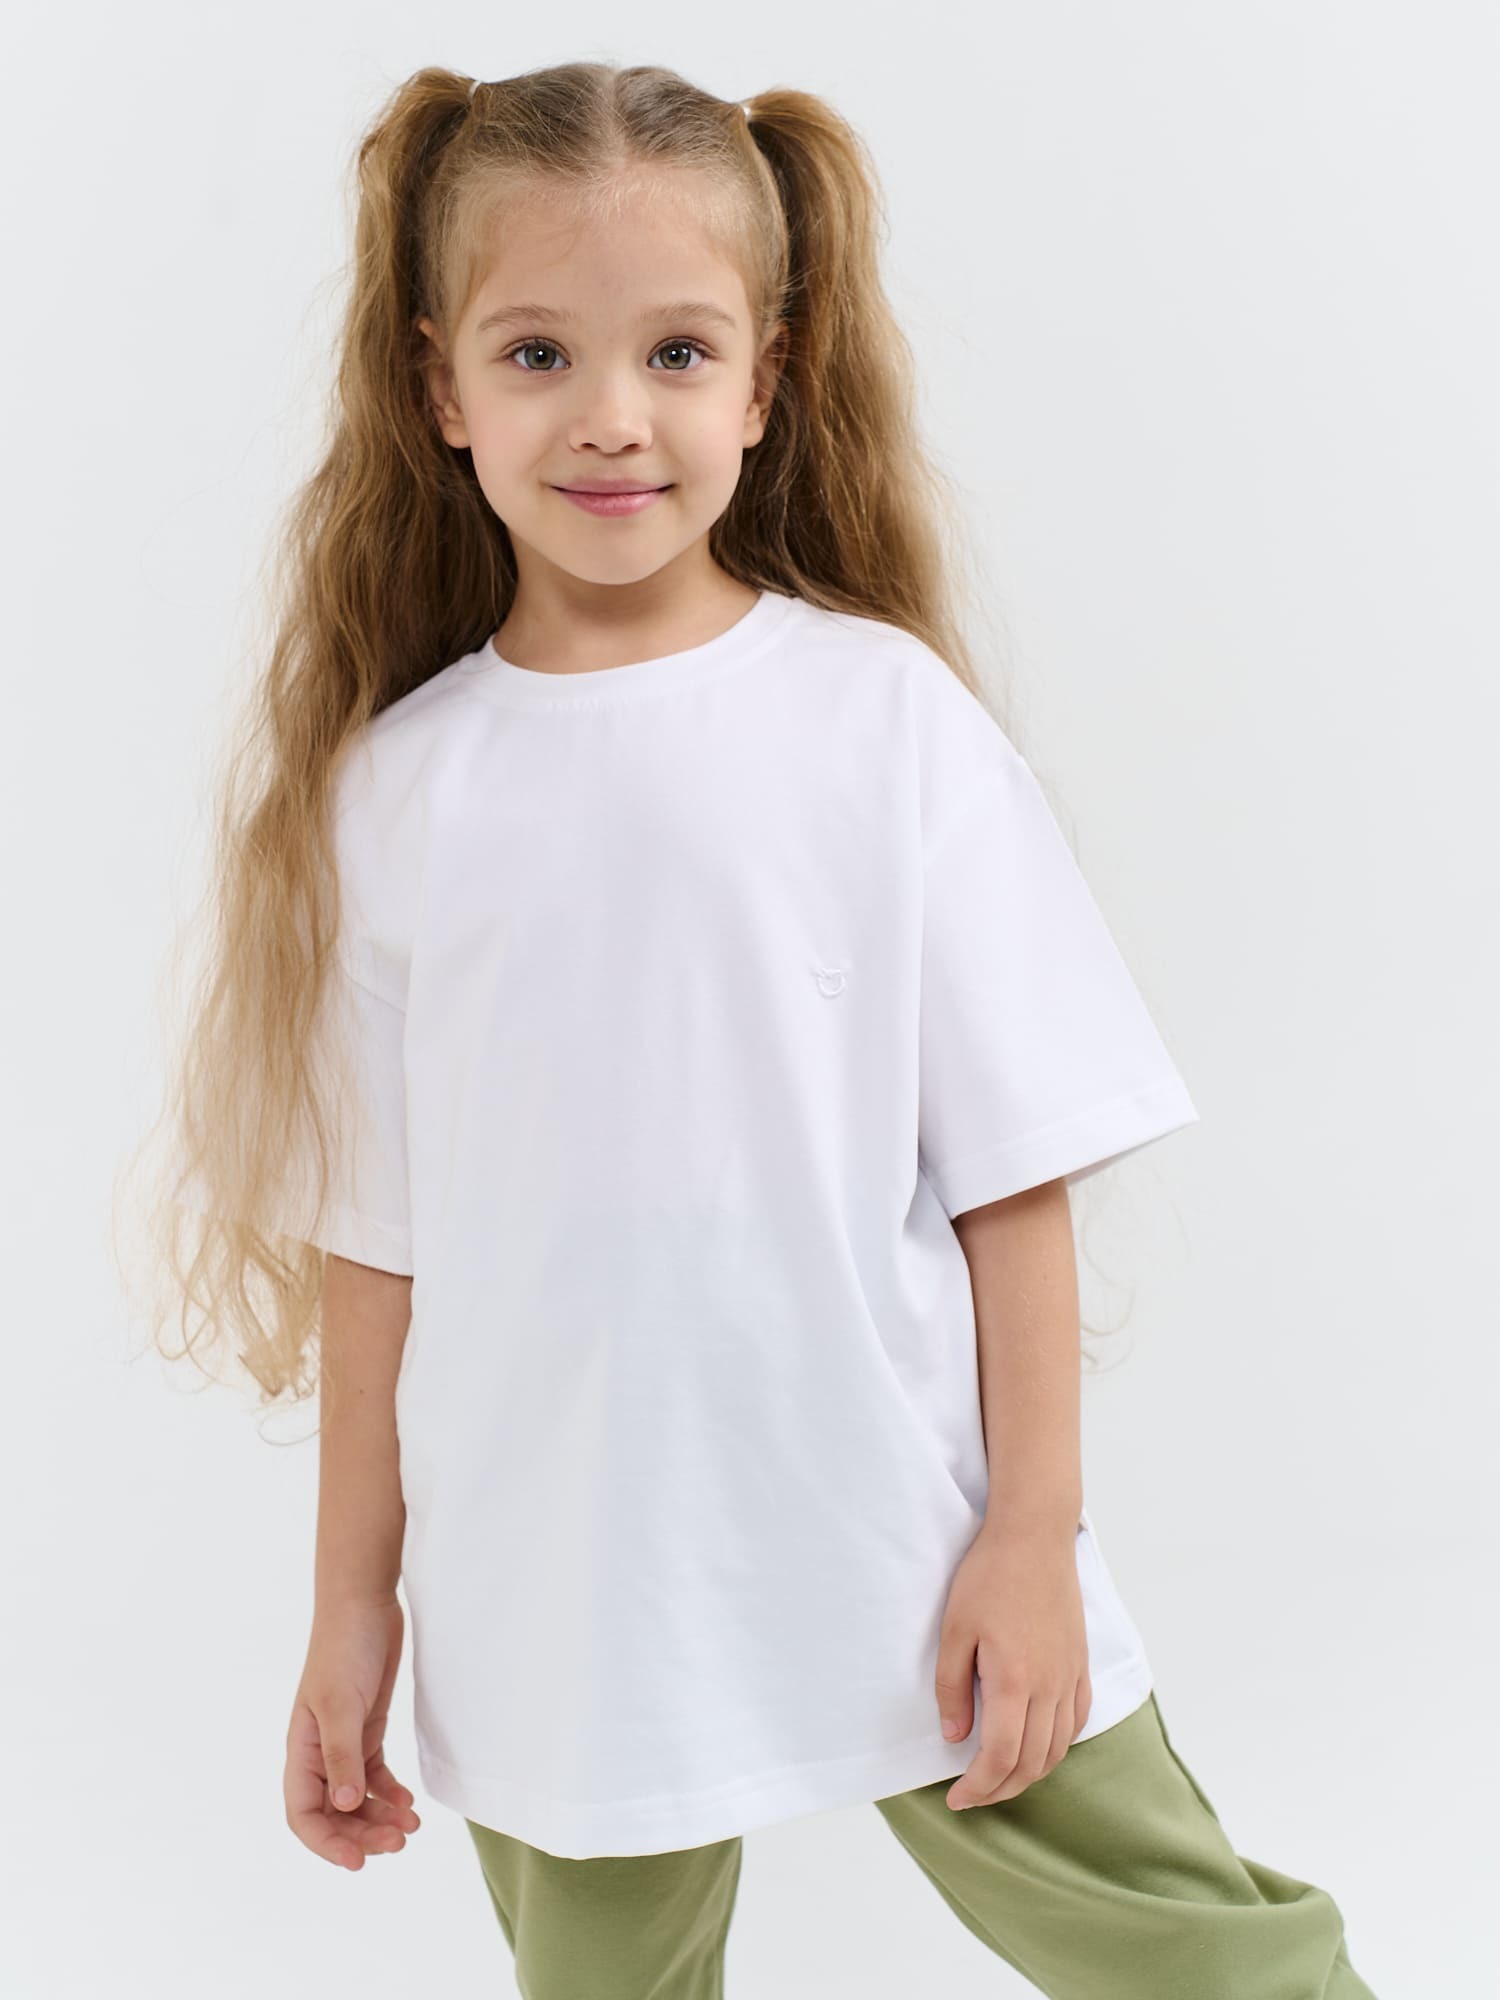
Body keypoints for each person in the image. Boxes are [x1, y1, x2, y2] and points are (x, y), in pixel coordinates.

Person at [139, 57, 1378, 1999]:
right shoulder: (399, 794)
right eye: (538, 354)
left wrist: (1035, 1533)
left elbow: (1014, 1170)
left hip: (902, 1524)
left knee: (1213, 1963)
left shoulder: (884, 723)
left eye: (676, 352)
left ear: (766, 380)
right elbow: (377, 1250)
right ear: (440, 388)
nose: (610, 416)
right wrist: (350, 1609)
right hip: (560, 1577)